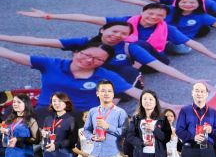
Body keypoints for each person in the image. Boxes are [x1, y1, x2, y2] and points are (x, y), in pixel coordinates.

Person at [0, 21, 208, 90]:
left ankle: (127, 86)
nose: (118, 35)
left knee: (130, 69)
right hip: (98, 74)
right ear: (102, 30)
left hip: (130, 70)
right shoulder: (85, 42)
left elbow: (161, 67)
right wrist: (4, 37)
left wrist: (192, 81)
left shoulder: (130, 47)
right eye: (114, 31)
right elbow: (39, 42)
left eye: (123, 33)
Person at [20, 3, 216, 66]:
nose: (154, 17)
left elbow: (192, 42)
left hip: (156, 57)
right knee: (106, 40)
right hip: (129, 52)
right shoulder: (126, 21)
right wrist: (50, 15)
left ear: (164, 17)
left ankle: (135, 66)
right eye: (150, 13)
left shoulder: (167, 27)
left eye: (159, 15)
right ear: (142, 12)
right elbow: (87, 17)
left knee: (178, 46)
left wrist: (214, 56)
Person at [0, 44, 135, 112]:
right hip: (46, 110)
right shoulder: (51, 64)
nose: (89, 60)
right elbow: (12, 55)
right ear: (76, 52)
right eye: (87, 54)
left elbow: (135, 92)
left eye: (98, 59)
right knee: (11, 112)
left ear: (103, 63)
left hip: (82, 116)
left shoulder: (106, 75)